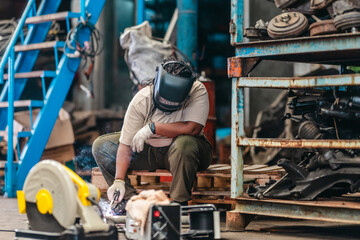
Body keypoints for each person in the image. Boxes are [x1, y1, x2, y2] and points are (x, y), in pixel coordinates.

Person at [92, 56, 212, 206]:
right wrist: (119, 180)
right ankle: (128, 200)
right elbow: (125, 145)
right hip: (149, 151)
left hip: (185, 154)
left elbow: (192, 129)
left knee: (185, 143)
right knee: (102, 146)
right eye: (163, 100)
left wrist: (153, 127)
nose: (167, 104)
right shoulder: (142, 99)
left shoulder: (197, 90)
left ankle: (178, 203)